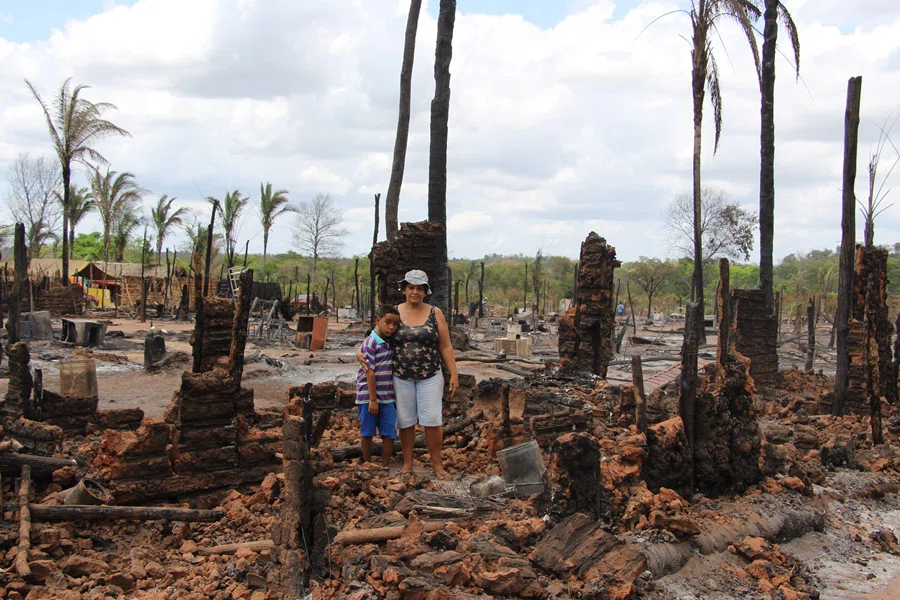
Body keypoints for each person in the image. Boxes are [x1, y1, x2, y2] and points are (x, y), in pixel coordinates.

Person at [358, 269, 460, 477]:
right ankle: (407, 464)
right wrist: (358, 352)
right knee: (405, 421)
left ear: (425, 292)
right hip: (400, 375)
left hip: (430, 374)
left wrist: (454, 373)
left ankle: (437, 464)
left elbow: (446, 345)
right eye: (411, 287)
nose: (415, 292)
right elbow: (374, 336)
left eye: (419, 288)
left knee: (432, 419)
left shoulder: (435, 312)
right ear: (404, 290)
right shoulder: (394, 313)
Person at [356, 305, 402, 466]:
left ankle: (385, 464)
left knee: (389, 432)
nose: (391, 327)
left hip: (387, 396)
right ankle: (368, 463)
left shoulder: (390, 342)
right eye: (388, 322)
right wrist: (373, 399)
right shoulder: (370, 343)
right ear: (378, 320)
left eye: (395, 324)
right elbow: (369, 372)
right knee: (367, 431)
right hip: (368, 397)